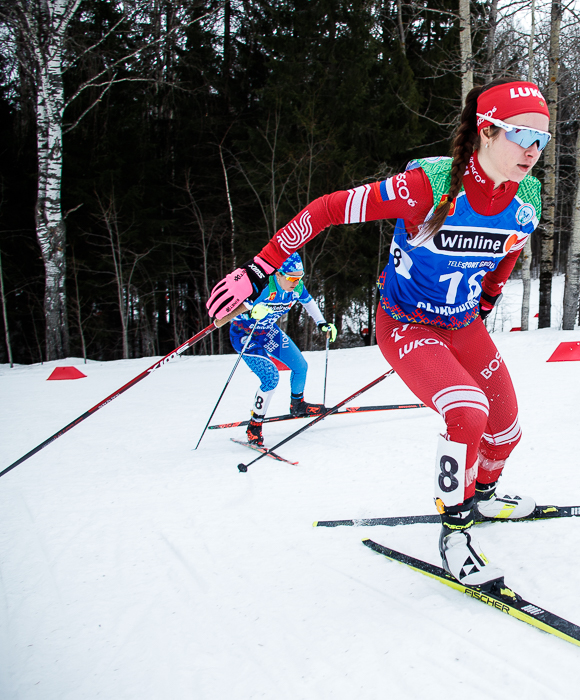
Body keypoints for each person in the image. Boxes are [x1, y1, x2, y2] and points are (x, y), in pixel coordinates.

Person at [206, 79, 550, 590]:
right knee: (467, 411)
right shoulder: (430, 187)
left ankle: (483, 493)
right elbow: (325, 209)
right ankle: (455, 535)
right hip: (407, 323)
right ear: (486, 130)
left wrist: (490, 296)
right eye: (521, 135)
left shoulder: (528, 196)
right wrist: (260, 268)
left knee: (506, 428)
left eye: (542, 140)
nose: (532, 151)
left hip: (462, 323)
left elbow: (511, 249)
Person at [229, 252, 338, 446]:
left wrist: (322, 323)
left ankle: (297, 405)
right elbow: (231, 313)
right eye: (291, 277)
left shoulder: (296, 288)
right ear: (278, 274)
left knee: (300, 366)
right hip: (245, 335)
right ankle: (255, 425)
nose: (296, 282)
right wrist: (252, 313)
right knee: (270, 377)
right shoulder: (261, 287)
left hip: (268, 331)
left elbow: (308, 301)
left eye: (299, 277)